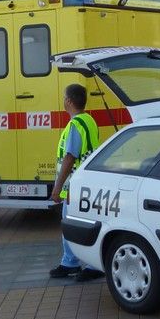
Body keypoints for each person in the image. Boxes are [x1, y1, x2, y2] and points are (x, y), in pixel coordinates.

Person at [48, 83, 104, 281]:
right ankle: (77, 262)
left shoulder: (74, 125)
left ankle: (74, 263)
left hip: (74, 185)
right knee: (84, 225)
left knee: (71, 226)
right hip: (87, 183)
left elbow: (70, 157)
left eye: (64, 97)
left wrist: (57, 187)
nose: (63, 101)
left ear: (69, 101)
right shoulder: (89, 120)